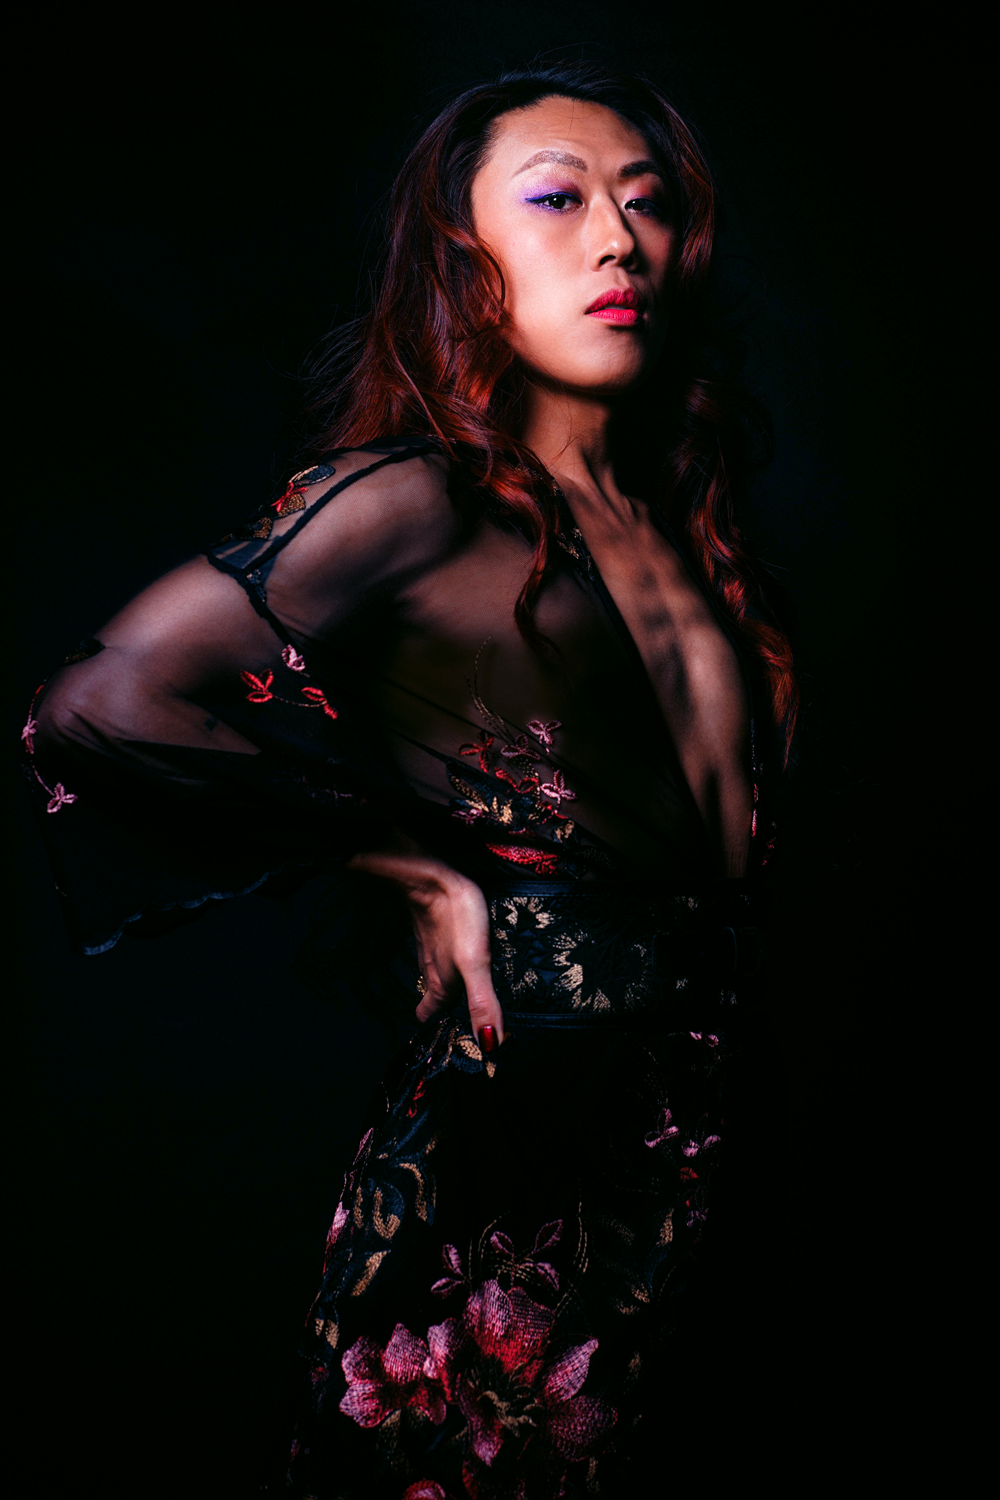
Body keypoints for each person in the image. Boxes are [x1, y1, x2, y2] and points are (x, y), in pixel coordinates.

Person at [24, 63, 796, 1500]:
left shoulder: (694, 525)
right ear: (465, 258)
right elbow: (94, 707)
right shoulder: (418, 498)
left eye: (646, 204)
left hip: (715, 1182)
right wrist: (393, 856)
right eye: (557, 202)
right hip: (509, 1200)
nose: (616, 241)